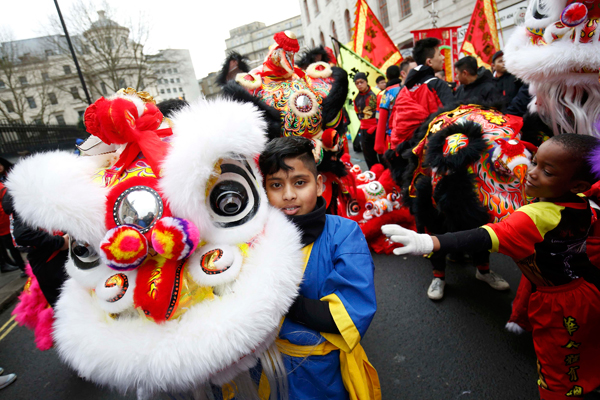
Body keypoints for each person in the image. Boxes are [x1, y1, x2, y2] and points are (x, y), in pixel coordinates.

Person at [383, 133, 600, 399]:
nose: (531, 173)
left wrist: (427, 242)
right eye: (535, 163)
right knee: (581, 352)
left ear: (576, 183)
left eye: (547, 172)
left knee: (555, 369)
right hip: (587, 289)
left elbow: (483, 235)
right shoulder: (583, 203)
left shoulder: (533, 217)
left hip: (559, 303)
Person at [258, 136, 380, 400]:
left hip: (323, 374)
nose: (289, 195)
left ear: (320, 184)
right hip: (268, 369)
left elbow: (345, 316)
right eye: (275, 185)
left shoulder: (344, 234)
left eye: (299, 182)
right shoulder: (255, 237)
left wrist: (271, 295)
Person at [390, 38, 455, 148]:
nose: (443, 57)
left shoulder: (405, 89)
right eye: (439, 54)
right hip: (435, 147)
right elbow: (452, 117)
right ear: (429, 61)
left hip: (410, 148)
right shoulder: (437, 85)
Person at [353, 72, 379, 169]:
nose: (359, 85)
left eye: (361, 82)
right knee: (369, 157)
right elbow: (357, 114)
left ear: (366, 82)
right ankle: (374, 177)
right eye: (357, 83)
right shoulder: (355, 98)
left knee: (382, 155)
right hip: (364, 130)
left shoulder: (377, 93)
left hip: (377, 128)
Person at [375, 65, 403, 154]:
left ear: (387, 76)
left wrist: (379, 142)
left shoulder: (386, 93)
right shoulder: (406, 88)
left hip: (393, 135)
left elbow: (380, 117)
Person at [0, 183, 25, 276]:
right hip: (5, 224)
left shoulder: (1, 187)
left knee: (14, 247)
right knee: (13, 248)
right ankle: (23, 268)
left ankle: (23, 268)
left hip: (7, 222)